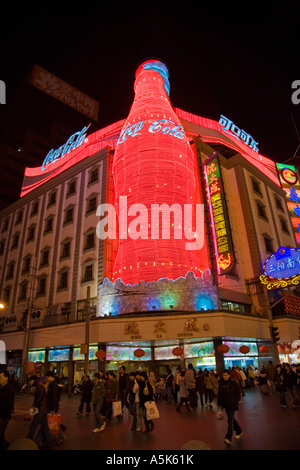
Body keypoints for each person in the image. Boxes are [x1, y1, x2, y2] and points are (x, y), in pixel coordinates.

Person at [217, 369, 243, 445]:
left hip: (232, 405)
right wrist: (219, 404)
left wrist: (236, 401)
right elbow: (220, 394)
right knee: (232, 420)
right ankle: (239, 431)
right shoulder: (221, 384)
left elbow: (238, 393)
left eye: (225, 375)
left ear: (229, 375)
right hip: (225, 405)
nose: (224, 377)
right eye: (223, 375)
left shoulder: (233, 383)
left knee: (230, 421)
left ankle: (228, 438)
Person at [27, 374, 51, 449]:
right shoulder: (40, 386)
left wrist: (35, 405)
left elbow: (39, 398)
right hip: (44, 408)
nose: (29, 382)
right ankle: (48, 443)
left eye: (30, 381)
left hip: (40, 409)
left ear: (32, 380)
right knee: (45, 426)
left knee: (33, 425)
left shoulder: (38, 387)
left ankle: (27, 441)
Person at [45, 370, 66, 444]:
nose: (46, 379)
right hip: (51, 405)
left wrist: (53, 408)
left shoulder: (53, 384)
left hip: (52, 406)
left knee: (52, 421)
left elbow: (54, 397)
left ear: (50, 376)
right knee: (50, 421)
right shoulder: (53, 384)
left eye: (47, 377)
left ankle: (61, 435)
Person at [0, 370, 15, 450]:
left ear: (6, 378)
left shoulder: (9, 389)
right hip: (2, 416)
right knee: (1, 434)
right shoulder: (1, 388)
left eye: (0, 377)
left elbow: (9, 405)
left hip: (3, 416)